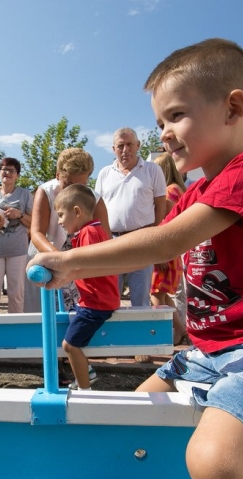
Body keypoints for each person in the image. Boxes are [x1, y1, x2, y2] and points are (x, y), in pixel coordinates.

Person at [28, 38, 243, 479]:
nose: (162, 132)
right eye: (159, 121)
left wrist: (70, 262)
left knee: (214, 464)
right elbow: (157, 239)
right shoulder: (199, 192)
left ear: (232, 108)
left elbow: (167, 240)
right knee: (128, 425)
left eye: (176, 115)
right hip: (208, 353)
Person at [24, 148, 110, 314]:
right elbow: (36, 233)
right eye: (69, 184)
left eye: (81, 185)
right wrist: (58, 258)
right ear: (58, 175)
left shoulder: (94, 198)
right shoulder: (45, 191)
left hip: (78, 263)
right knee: (43, 314)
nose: (74, 191)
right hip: (47, 258)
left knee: (76, 315)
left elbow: (104, 239)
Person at [53, 184, 119, 390]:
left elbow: (85, 263)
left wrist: (60, 269)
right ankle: (85, 373)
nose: (59, 221)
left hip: (96, 303)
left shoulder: (89, 232)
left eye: (61, 215)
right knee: (70, 335)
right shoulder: (94, 229)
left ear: (77, 212)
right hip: (94, 300)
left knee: (69, 345)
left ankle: (85, 389)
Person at [94, 127, 166, 308]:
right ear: (113, 149)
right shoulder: (105, 174)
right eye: (120, 146)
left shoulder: (152, 170)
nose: (125, 150)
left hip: (141, 241)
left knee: (140, 299)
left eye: (129, 145)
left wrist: (156, 238)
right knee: (110, 299)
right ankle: (114, 336)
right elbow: (98, 208)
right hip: (112, 241)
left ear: (138, 145)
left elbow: (161, 206)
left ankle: (140, 337)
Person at [0, 157, 33, 313]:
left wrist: (19, 214)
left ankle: (15, 331)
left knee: (16, 295)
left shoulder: (25, 194)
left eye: (12, 170)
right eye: (4, 169)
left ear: (17, 175)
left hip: (18, 252)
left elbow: (32, 223)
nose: (7, 173)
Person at [150, 153, 187, 344]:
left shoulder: (169, 191)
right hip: (171, 250)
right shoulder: (179, 189)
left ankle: (158, 337)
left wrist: (160, 253)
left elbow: (166, 222)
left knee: (155, 295)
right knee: (162, 295)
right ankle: (180, 330)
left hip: (164, 250)